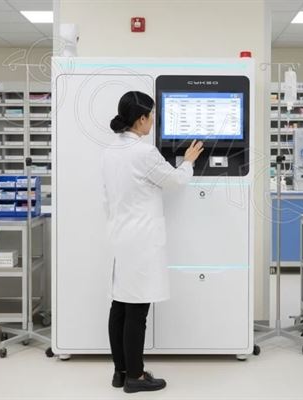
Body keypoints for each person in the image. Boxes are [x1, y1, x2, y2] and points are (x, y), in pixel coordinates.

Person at [101, 91, 204, 393]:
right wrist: (188, 161)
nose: (153, 122)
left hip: (120, 236)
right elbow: (175, 180)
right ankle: (136, 376)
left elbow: (107, 196)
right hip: (141, 240)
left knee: (120, 305)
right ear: (141, 119)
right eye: (152, 117)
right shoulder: (143, 153)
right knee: (137, 311)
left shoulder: (109, 151)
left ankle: (120, 372)